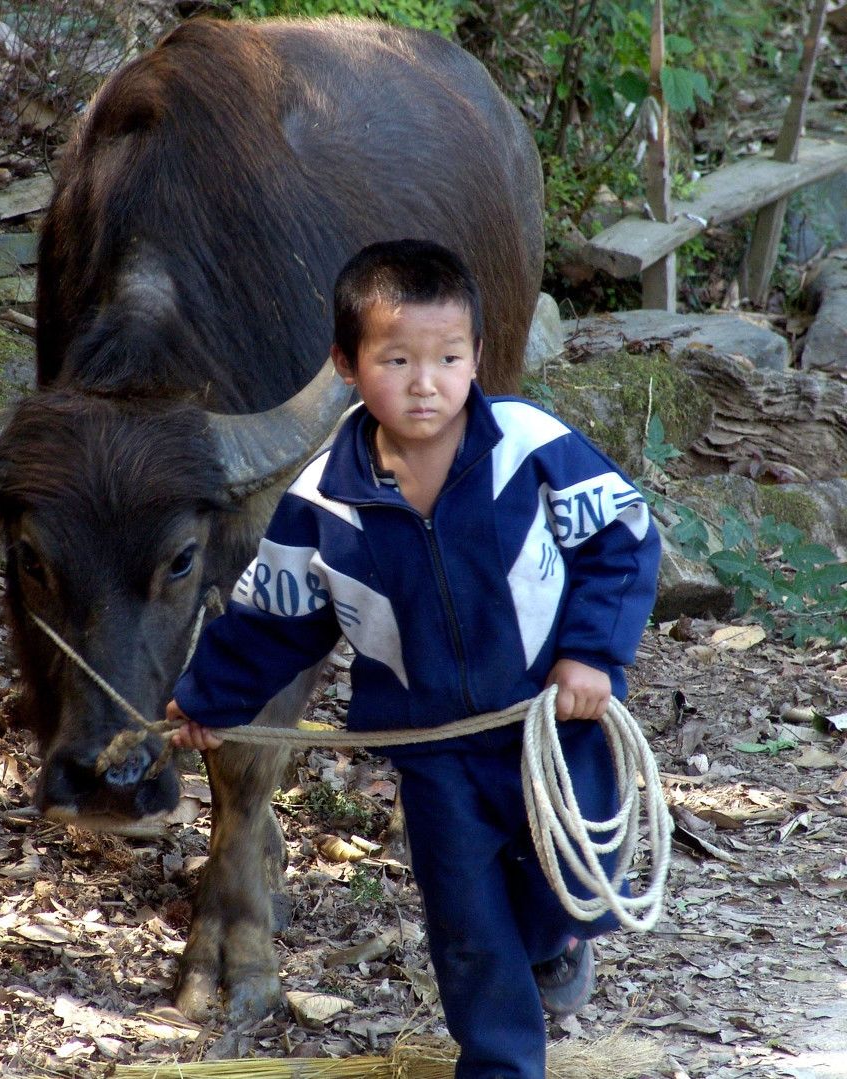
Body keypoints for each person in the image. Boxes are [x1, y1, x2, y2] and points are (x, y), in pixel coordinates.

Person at [168, 239, 661, 1079]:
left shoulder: (531, 450)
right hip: (433, 752)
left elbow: (623, 539)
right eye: (396, 359)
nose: (425, 381)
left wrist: (590, 656)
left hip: (551, 725)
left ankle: (555, 942)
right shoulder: (324, 499)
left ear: (477, 357)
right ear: (347, 366)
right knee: (467, 925)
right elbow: (275, 619)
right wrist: (210, 697)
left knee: (568, 886)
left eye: (448, 357)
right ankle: (503, 1063)